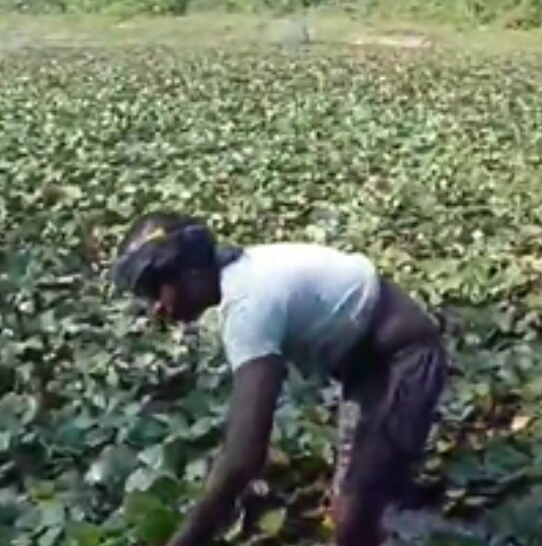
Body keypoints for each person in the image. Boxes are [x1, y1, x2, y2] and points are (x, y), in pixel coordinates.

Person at [110, 211, 448, 546]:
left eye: (157, 290)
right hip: (364, 365)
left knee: (354, 513)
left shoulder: (249, 305)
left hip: (404, 358)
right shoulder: (243, 275)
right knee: (355, 498)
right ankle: (396, 496)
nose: (157, 309)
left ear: (190, 270)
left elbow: (244, 456)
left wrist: (186, 540)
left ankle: (400, 501)